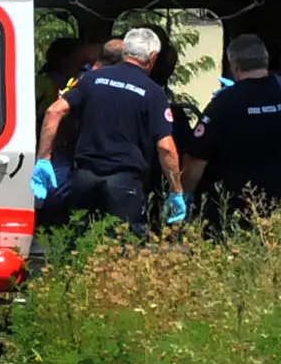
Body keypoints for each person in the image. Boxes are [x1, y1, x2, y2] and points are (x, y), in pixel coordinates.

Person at [36, 27, 184, 237]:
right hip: (123, 184)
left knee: (79, 242)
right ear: (152, 58)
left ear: (125, 51)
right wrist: (176, 190)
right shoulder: (152, 92)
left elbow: (54, 111)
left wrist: (43, 159)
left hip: (84, 178)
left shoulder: (91, 79)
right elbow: (165, 147)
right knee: (122, 247)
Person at [182, 33, 281, 235]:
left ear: (234, 66)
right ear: (265, 61)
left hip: (237, 206)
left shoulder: (224, 103)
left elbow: (196, 159)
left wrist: (184, 193)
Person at [31, 37, 110, 217]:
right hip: (52, 149)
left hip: (70, 149)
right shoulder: (44, 82)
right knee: (52, 196)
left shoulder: (80, 81)